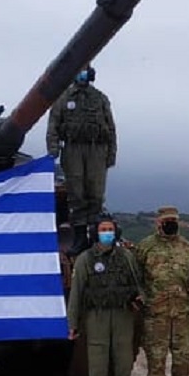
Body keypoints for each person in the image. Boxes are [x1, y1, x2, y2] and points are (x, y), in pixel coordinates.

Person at [68, 215, 143, 376]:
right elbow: (76, 293)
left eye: (110, 229)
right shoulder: (85, 259)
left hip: (122, 315)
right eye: (103, 229)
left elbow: (139, 285)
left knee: (123, 362)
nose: (107, 233)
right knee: (98, 364)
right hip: (96, 317)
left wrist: (140, 300)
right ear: (95, 232)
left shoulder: (126, 257)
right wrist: (73, 324)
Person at [135, 206, 189, 376]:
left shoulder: (187, 248)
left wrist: (184, 297)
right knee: (156, 359)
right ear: (158, 223)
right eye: (166, 221)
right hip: (156, 315)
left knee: (182, 358)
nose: (170, 224)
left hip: (182, 314)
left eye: (173, 220)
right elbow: (137, 278)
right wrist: (146, 299)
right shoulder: (146, 247)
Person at [46, 65, 116, 252]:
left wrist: (111, 154)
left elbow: (110, 128)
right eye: (79, 71)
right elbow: (53, 125)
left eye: (85, 71)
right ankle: (79, 236)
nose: (82, 74)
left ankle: (93, 233)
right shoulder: (63, 98)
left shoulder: (100, 98)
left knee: (96, 193)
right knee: (76, 192)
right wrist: (53, 151)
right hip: (73, 148)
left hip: (97, 149)